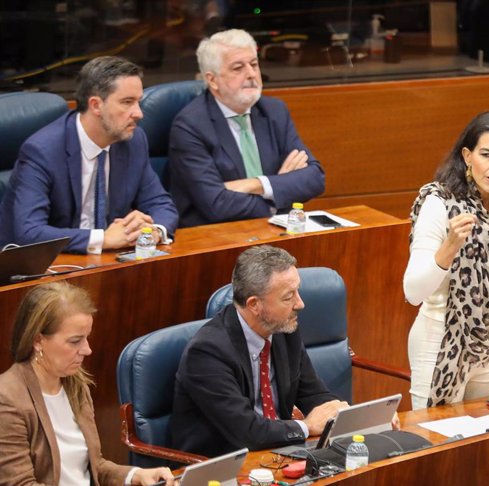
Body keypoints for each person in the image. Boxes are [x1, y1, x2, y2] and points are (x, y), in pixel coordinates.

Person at [403, 110, 489, 409]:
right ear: (467, 155)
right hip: (440, 339)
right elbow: (412, 292)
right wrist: (450, 245)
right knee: (436, 444)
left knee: (484, 441)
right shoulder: (438, 202)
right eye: (486, 154)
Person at [170, 245, 347, 457]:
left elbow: (313, 393)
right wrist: (306, 427)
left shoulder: (284, 331)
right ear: (254, 304)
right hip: (221, 465)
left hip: (276, 454)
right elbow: (246, 432)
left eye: (297, 291)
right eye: (288, 297)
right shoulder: (208, 352)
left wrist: (349, 417)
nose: (300, 304)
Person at [0, 282, 175, 485]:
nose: (87, 349)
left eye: (86, 338)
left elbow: (93, 466)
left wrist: (135, 475)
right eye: (75, 341)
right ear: (38, 340)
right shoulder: (7, 398)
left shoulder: (75, 384)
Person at [0, 56, 178, 254]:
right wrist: (103, 239)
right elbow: (30, 232)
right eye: (127, 102)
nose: (138, 113)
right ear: (95, 105)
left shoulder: (133, 141)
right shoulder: (42, 151)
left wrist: (152, 231)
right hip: (44, 268)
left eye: (139, 102)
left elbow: (161, 204)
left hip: (107, 263)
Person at [168, 29, 325, 227]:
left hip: (275, 231)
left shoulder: (274, 111)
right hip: (217, 237)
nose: (251, 74)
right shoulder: (190, 125)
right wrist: (277, 193)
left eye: (254, 64)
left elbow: (315, 177)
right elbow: (216, 204)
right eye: (238, 68)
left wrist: (257, 184)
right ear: (212, 80)